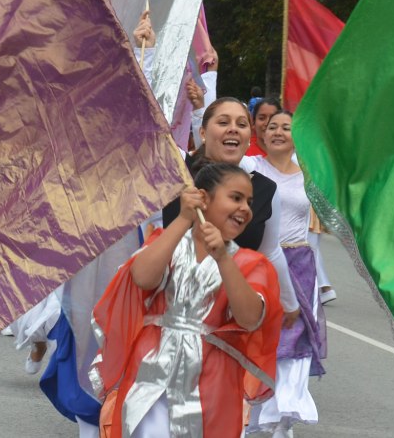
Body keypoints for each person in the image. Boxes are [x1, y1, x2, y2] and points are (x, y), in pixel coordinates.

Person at [90, 163, 283, 437]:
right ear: (203, 198)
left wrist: (223, 259)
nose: (246, 209)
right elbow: (142, 277)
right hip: (151, 373)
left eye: (249, 202)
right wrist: (183, 219)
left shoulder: (251, 264)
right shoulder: (166, 242)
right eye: (236, 198)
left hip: (212, 380)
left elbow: (250, 318)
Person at [164, 97, 301, 325]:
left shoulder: (265, 189)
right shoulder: (176, 169)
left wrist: (290, 303)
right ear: (204, 133)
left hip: (230, 318)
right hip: (171, 309)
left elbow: (270, 251)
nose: (233, 130)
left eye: (241, 124)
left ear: (249, 138)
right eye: (223, 122)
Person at [246, 111, 327, 437]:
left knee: (295, 345)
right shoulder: (250, 167)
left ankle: (282, 423)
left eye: (286, 127)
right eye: (271, 126)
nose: (277, 131)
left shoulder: (310, 176)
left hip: (301, 266)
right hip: (261, 263)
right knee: (259, 340)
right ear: (262, 134)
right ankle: (251, 419)